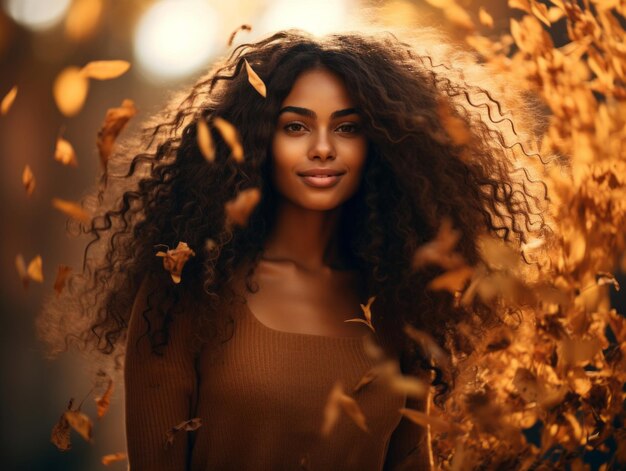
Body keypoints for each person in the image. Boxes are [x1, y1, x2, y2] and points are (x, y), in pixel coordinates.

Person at [37, 26, 550, 471]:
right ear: (259, 141)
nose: (323, 146)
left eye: (347, 128)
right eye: (296, 126)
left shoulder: (404, 304)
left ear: (380, 144)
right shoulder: (186, 293)